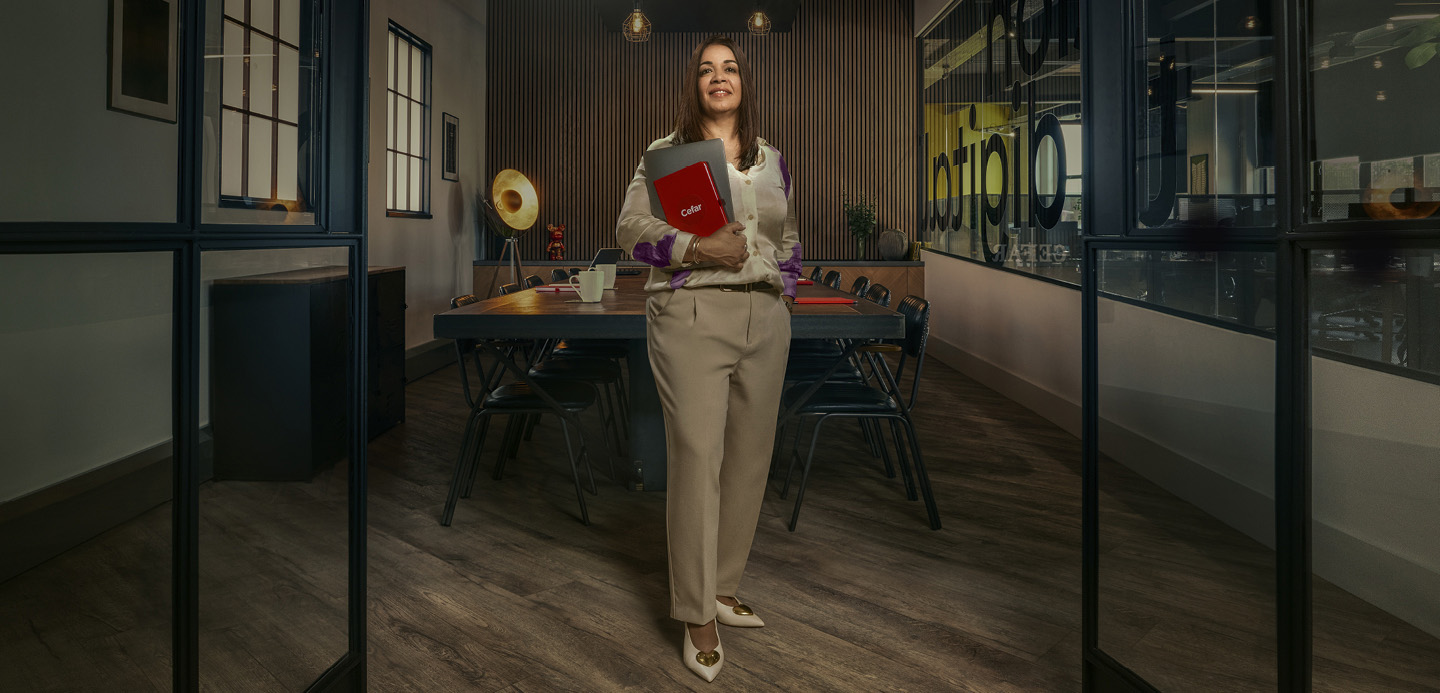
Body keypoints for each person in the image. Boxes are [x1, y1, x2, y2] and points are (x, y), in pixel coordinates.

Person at [615, 34, 802, 682]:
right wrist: (696, 249)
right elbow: (629, 231)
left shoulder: (771, 159)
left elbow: (791, 238)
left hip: (765, 318)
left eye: (729, 68)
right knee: (698, 458)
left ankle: (722, 585)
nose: (718, 78)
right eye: (706, 70)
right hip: (693, 314)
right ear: (693, 84)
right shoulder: (666, 155)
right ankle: (696, 612)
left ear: (744, 83)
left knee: (750, 459)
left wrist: (785, 293)